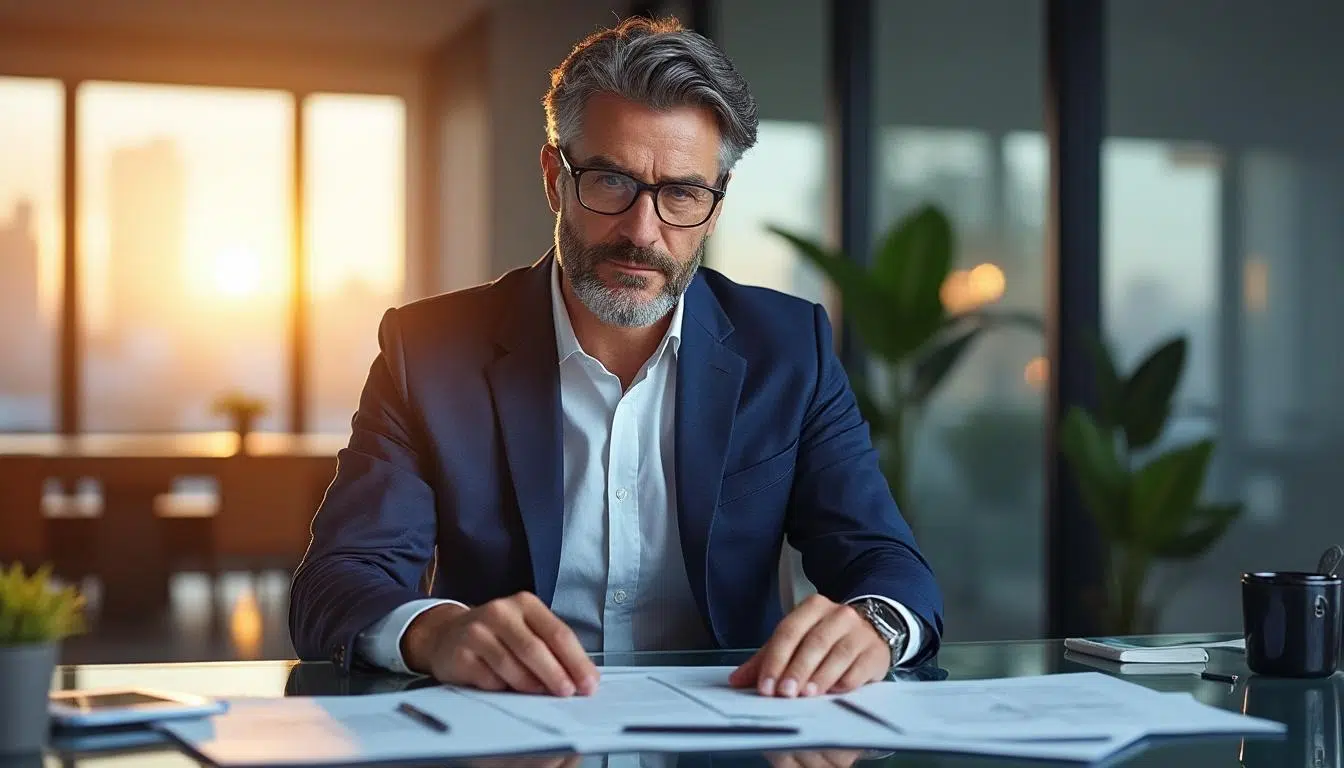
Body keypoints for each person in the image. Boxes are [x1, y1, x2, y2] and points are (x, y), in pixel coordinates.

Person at [288, 15, 942, 699]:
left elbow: (885, 560)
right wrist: (436, 631)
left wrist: (875, 626)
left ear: (716, 206)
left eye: (681, 193)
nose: (641, 231)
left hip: (734, 724)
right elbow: (336, 581)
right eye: (609, 181)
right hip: (506, 723)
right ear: (555, 178)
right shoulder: (429, 352)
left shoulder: (789, 349)